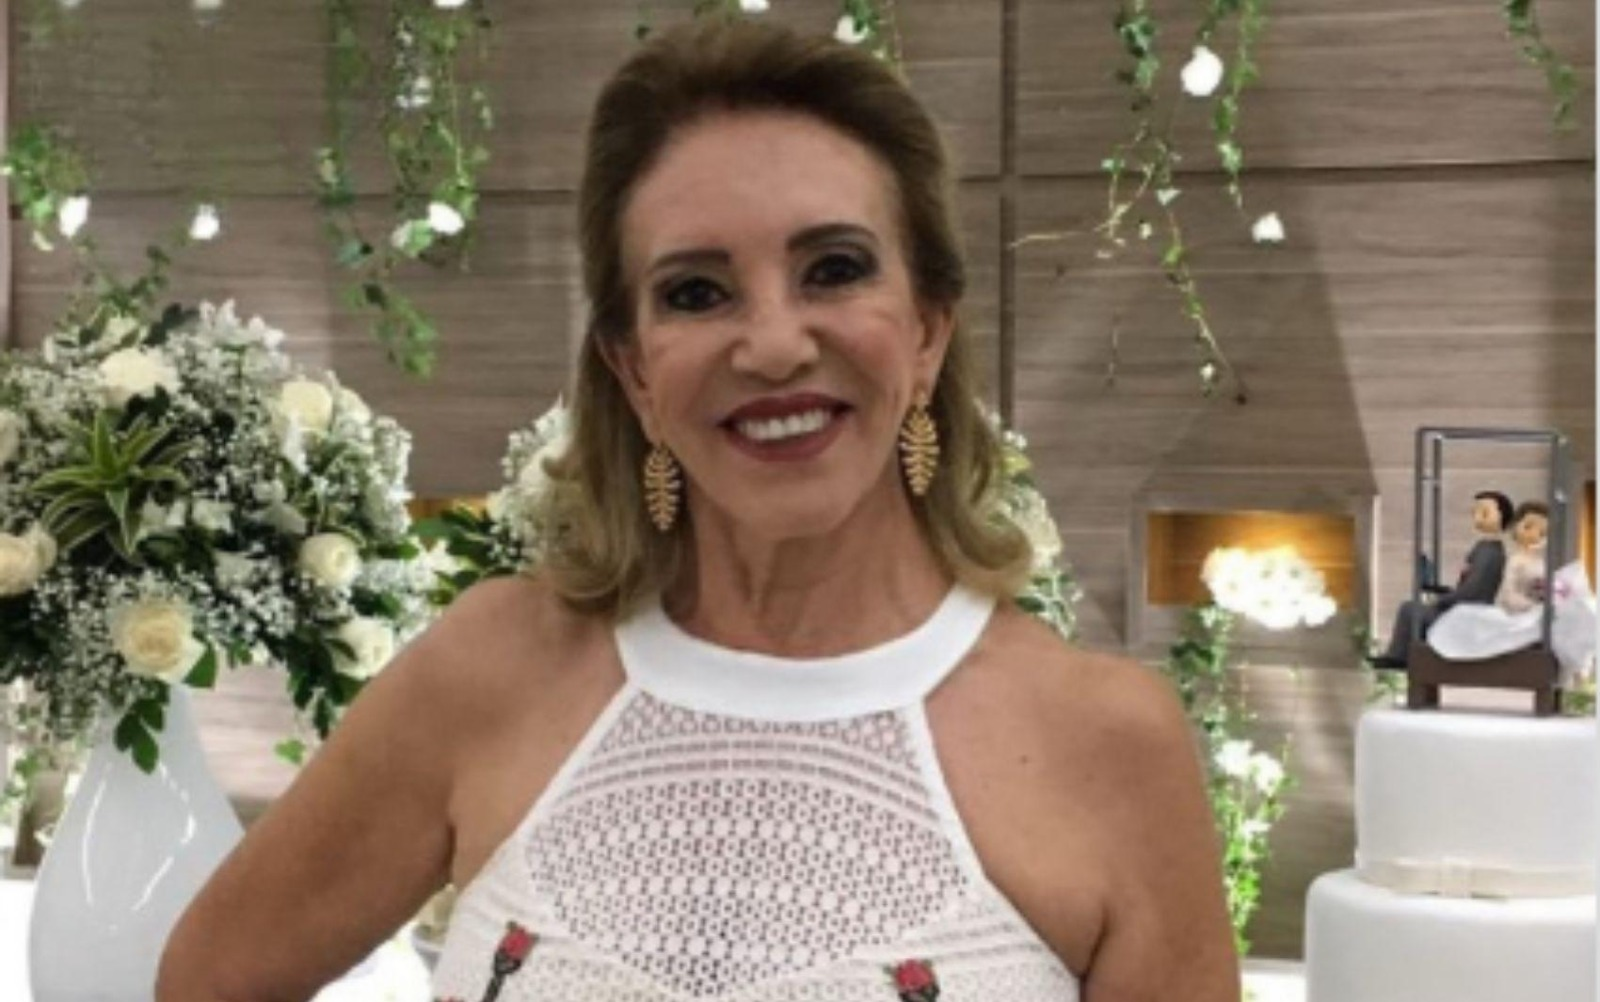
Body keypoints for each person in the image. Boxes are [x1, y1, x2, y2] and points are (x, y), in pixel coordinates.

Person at [158, 19, 1237, 1002]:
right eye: (696, 293)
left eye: (833, 269)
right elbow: (209, 981)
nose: (771, 345)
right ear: (632, 369)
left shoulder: (1105, 741)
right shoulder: (490, 669)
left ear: (926, 331)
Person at [1370, 489, 1511, 668]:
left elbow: (1472, 592)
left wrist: (1441, 601)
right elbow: (1467, 588)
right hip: (1464, 612)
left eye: (1484, 511)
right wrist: (1442, 591)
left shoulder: (1490, 553)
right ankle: (1402, 655)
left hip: (1468, 617)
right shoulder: (1485, 548)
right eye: (1475, 511)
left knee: (1410, 609)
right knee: (1414, 608)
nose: (1477, 516)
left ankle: (1400, 657)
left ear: (1501, 516)